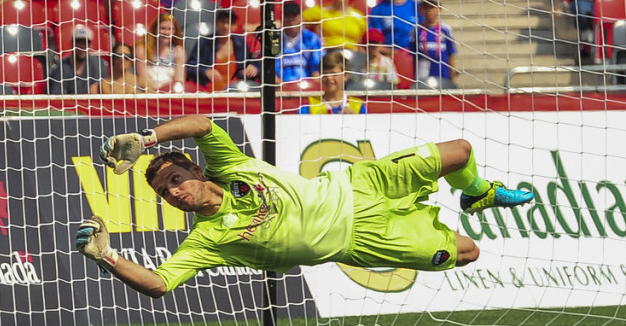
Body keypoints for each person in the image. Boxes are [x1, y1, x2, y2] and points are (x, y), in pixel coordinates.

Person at [75, 115, 535, 296]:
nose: (174, 192)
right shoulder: (208, 240)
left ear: (196, 173)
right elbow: (159, 284)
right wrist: (107, 257)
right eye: (164, 192)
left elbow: (202, 127)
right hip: (362, 238)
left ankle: (477, 193)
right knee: (467, 251)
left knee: (459, 151)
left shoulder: (229, 164)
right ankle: (455, 212)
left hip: (359, 184)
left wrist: (147, 138)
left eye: (176, 180)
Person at [187, 7, 259, 91]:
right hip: (210, 90)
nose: (225, 26)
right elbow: (190, 67)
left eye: (229, 23)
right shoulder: (205, 42)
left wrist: (253, 67)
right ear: (216, 23)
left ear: (235, 26)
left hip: (236, 89)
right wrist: (206, 71)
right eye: (223, 22)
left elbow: (253, 62)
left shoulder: (241, 42)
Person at [302, 0, 367, 53]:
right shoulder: (320, 11)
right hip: (328, 53)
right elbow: (296, 21)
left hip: (352, 53)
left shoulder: (358, 16)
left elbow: (361, 42)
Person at [408, 0, 458, 89]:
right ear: (420, 10)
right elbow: (414, 58)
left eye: (432, 7)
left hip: (443, 75)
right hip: (423, 77)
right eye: (425, 7)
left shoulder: (446, 29)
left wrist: (453, 80)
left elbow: (450, 56)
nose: (429, 10)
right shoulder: (416, 30)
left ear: (439, 9)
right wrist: (415, 79)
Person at [299, 50, 366, 114]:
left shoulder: (358, 106)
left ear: (345, 76)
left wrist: (355, 119)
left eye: (334, 74)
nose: (329, 77)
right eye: (325, 74)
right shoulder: (309, 105)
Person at [48, 25, 108, 94]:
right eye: (78, 42)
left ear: (90, 45)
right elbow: (57, 97)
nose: (82, 47)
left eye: (85, 43)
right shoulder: (60, 67)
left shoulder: (99, 65)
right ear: (71, 44)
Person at [135, 12, 186, 92]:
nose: (166, 33)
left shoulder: (178, 50)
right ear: (155, 29)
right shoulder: (142, 48)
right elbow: (143, 79)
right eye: (162, 28)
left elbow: (178, 80)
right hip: (148, 92)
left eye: (170, 29)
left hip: (169, 93)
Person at [275, 0, 323, 83]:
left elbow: (316, 69)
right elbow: (270, 68)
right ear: (281, 19)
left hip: (306, 85)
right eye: (287, 16)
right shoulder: (274, 39)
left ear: (301, 18)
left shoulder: (311, 38)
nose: (291, 19)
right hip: (280, 85)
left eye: (294, 15)